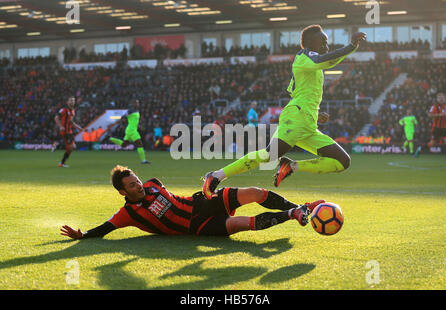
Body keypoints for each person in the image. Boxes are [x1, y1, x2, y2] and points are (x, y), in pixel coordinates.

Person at [202, 25, 366, 199]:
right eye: (323, 41)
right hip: (297, 119)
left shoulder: (311, 66)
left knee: (342, 161)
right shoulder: (303, 56)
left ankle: (291, 166)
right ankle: (217, 175)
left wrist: (315, 114)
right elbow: (325, 60)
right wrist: (351, 46)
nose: (327, 45)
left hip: (307, 123)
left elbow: (294, 91)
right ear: (310, 43)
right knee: (269, 155)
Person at [60, 165, 325, 239]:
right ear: (123, 192)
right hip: (197, 227)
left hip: (201, 203)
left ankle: (302, 207)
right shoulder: (128, 214)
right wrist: (83, 235)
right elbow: (105, 228)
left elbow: (163, 192)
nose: (138, 185)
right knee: (244, 224)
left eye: (137, 181)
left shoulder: (153, 183)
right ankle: (294, 213)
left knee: (255, 192)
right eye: (131, 185)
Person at [109, 99, 150, 164]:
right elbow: (123, 116)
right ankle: (143, 160)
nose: (137, 104)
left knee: (124, 145)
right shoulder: (130, 110)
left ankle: (111, 139)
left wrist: (139, 126)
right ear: (133, 104)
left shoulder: (136, 111)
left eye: (138, 103)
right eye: (136, 103)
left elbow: (134, 121)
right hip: (132, 130)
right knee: (139, 144)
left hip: (131, 129)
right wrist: (121, 123)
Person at [54, 96, 83, 168]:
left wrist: (78, 127)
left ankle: (61, 163)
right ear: (67, 102)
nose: (72, 102)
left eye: (73, 100)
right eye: (70, 100)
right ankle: (57, 145)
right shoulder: (63, 110)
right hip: (65, 132)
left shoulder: (73, 111)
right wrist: (60, 126)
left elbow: (71, 122)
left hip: (70, 131)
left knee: (71, 148)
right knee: (71, 146)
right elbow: (56, 118)